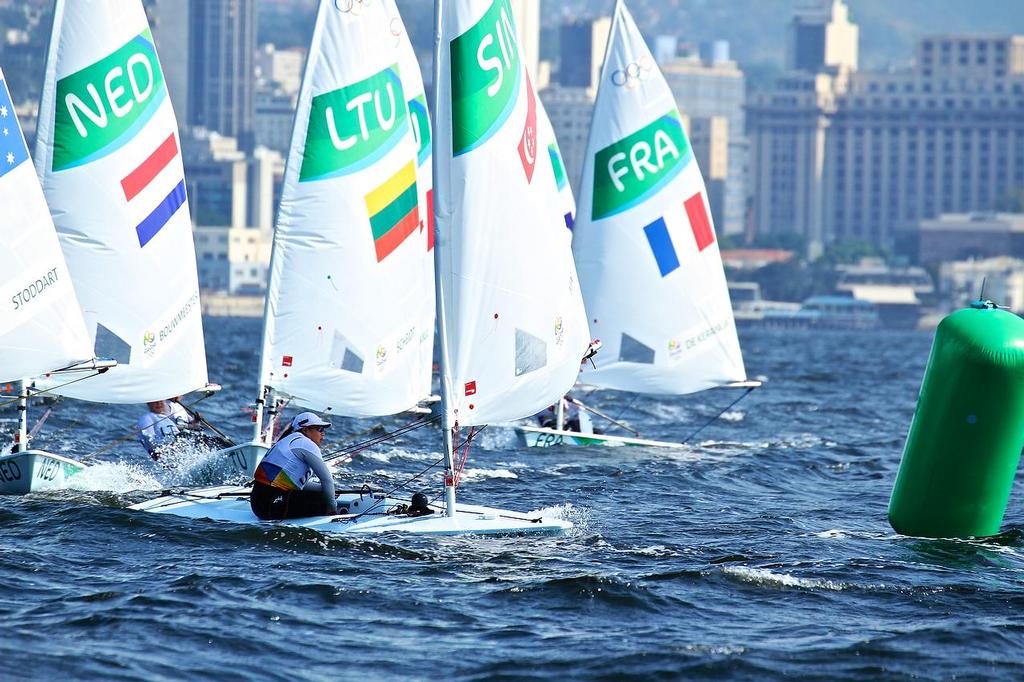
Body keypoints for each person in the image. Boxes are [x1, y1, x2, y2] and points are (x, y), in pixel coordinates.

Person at [250, 411, 338, 520]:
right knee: (325, 500)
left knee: (327, 492)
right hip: (273, 507)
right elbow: (327, 479)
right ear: (305, 430)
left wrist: (324, 489)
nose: (323, 433)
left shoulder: (284, 441)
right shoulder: (306, 443)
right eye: (319, 429)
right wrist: (333, 509)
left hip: (257, 505)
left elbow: (294, 483)